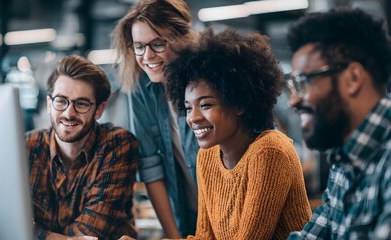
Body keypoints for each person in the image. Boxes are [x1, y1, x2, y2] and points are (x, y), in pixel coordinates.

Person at [124, 28, 311, 240]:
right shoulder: (207, 157)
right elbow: (204, 237)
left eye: (205, 105)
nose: (192, 118)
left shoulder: (270, 151)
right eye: (187, 108)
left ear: (238, 102)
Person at [286, 8, 391, 239]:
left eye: (304, 82)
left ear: (353, 78)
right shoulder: (344, 159)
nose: (293, 100)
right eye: (292, 86)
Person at [26, 55, 138, 240]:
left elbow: (89, 232)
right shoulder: (27, 148)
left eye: (81, 104)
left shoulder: (117, 145)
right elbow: (9, 220)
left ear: (99, 110)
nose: (69, 113)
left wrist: (36, 234)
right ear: (49, 104)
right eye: (61, 101)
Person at [112, 0, 198, 237]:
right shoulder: (140, 84)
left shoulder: (206, 79)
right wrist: (174, 236)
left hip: (230, 213)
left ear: (183, 38)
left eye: (158, 43)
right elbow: (150, 167)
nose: (147, 56)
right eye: (139, 46)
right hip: (186, 214)